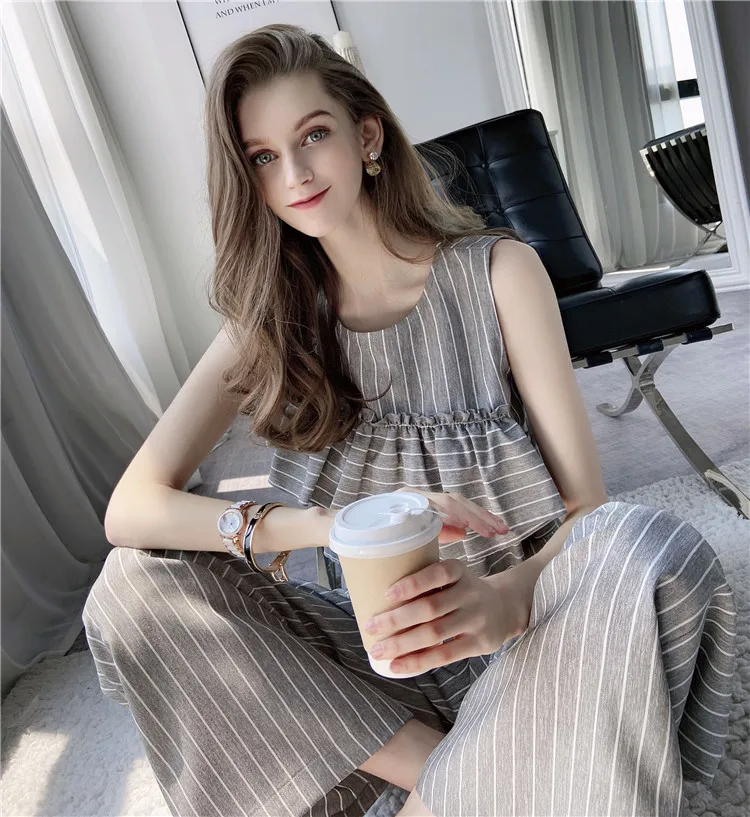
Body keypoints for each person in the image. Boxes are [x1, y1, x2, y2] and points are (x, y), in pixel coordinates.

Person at [82, 23, 737, 817]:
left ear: (366, 136)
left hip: (524, 637)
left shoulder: (498, 272)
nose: (294, 173)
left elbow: (585, 509)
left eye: (312, 135)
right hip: (377, 681)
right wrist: (324, 526)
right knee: (131, 588)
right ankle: (448, 777)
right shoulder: (270, 320)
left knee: (651, 542)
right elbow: (132, 507)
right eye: (261, 157)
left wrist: (507, 599)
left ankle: (472, 780)